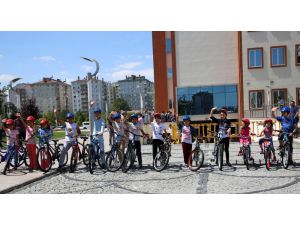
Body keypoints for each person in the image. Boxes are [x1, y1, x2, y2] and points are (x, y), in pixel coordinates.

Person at [90, 103, 106, 168]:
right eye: (95, 113)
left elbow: (102, 127)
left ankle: (103, 163)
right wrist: (91, 106)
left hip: (100, 137)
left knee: (102, 151)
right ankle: (93, 162)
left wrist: (101, 132)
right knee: (93, 150)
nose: (96, 114)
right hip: (94, 137)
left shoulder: (102, 120)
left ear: (100, 113)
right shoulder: (93, 119)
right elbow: (90, 112)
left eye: (97, 113)